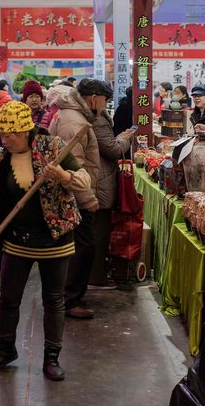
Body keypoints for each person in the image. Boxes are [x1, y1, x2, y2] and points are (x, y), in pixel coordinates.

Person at [0, 101, 93, 381]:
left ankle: (52, 357)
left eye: (10, 135)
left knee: (54, 300)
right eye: (1, 135)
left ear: (27, 131)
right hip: (17, 238)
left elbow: (85, 180)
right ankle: (6, 349)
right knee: (8, 298)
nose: (4, 140)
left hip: (55, 238)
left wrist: (63, 176)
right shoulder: (0, 160)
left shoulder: (54, 148)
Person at [48, 85, 100, 320]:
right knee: (82, 246)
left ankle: (68, 296)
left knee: (76, 246)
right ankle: (70, 300)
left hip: (72, 191)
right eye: (103, 100)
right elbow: (73, 166)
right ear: (93, 98)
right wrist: (88, 198)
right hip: (74, 194)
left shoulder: (70, 114)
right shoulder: (73, 121)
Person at [77, 80, 132, 287]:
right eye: (105, 99)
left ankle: (89, 276)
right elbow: (111, 149)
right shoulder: (96, 120)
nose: (106, 103)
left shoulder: (79, 114)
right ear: (94, 97)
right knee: (98, 233)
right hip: (98, 182)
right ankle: (96, 277)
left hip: (89, 180)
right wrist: (125, 138)